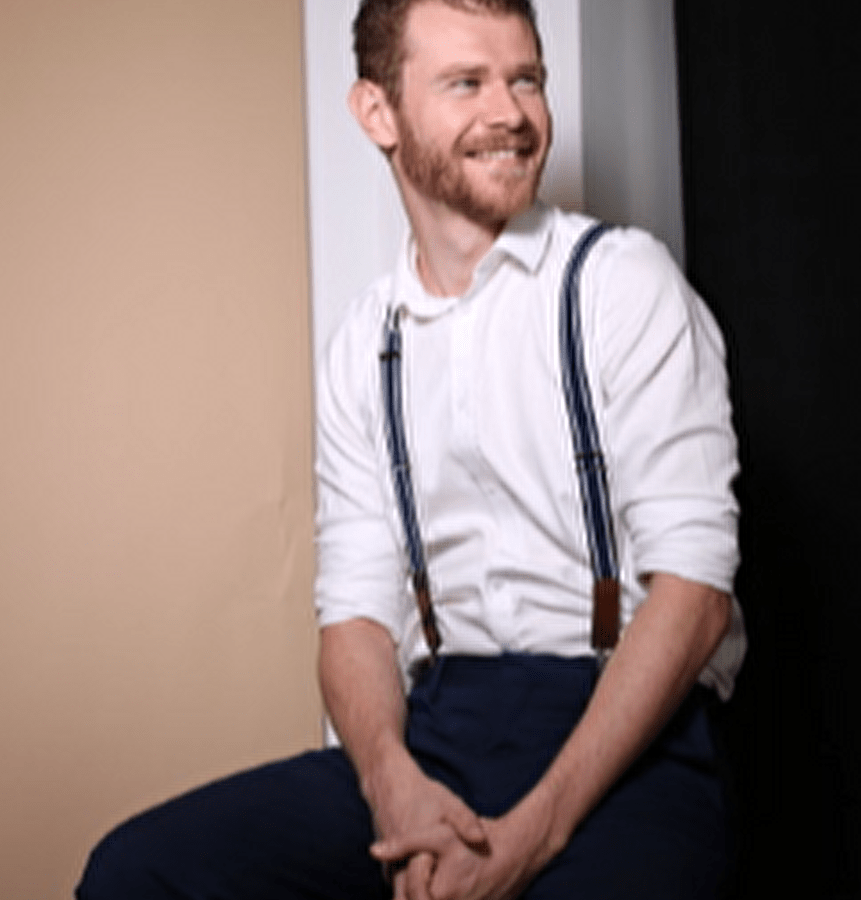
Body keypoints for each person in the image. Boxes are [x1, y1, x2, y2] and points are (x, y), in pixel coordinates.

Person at [76, 1, 745, 897]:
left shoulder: (621, 285)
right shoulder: (365, 346)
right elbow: (354, 618)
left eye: (525, 79)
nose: (509, 112)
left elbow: (693, 597)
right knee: (138, 873)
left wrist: (529, 838)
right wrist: (393, 787)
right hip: (438, 732)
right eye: (466, 82)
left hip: (628, 740)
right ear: (376, 112)